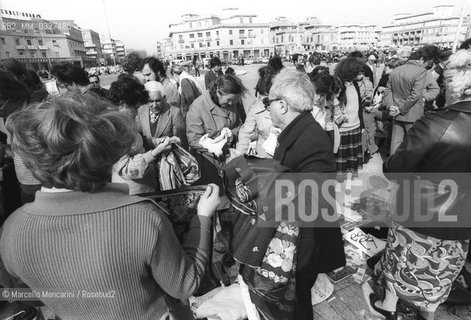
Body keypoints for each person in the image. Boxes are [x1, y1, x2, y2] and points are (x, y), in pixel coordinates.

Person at [0, 92, 220, 320]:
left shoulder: (12, 228)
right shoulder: (142, 217)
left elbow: (26, 294)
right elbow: (184, 285)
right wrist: (202, 217)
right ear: (105, 155)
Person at [370, 48, 471, 320]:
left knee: (401, 263)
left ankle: (389, 307)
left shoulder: (436, 124)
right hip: (461, 222)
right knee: (441, 273)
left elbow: (395, 168)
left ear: (457, 86)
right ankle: (427, 314)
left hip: (420, 214)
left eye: (446, 83)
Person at [266, 68, 345, 320]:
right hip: (300, 235)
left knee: (298, 300)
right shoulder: (300, 130)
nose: (267, 108)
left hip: (305, 241)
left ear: (282, 105)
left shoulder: (310, 137)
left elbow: (312, 198)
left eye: (268, 102)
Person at [109, 74, 171, 195]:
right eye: (135, 107)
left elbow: (138, 142)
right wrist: (154, 153)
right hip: (130, 191)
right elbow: (126, 168)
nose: (137, 112)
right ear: (122, 103)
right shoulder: (113, 130)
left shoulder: (126, 121)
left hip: (145, 187)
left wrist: (157, 142)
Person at [186, 74, 246, 186]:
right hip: (208, 163)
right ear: (218, 92)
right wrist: (217, 144)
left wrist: (231, 134)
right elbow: (193, 139)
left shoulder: (234, 102)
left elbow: (241, 125)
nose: (231, 104)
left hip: (231, 158)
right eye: (229, 100)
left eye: (233, 100)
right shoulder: (198, 107)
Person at [384, 45, 441, 155]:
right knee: (412, 145)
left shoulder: (396, 70)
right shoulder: (422, 72)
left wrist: (391, 106)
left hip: (395, 112)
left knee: (395, 143)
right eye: (428, 63)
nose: (428, 66)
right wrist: (424, 97)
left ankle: (393, 167)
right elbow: (416, 95)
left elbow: (388, 91)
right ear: (421, 60)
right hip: (412, 113)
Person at [334, 57, 365, 178]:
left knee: (353, 154)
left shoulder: (354, 84)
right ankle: (340, 176)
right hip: (343, 127)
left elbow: (358, 105)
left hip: (355, 125)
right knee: (342, 155)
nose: (358, 75)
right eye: (356, 72)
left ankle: (354, 173)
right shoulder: (339, 84)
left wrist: (361, 124)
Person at [236, 66, 275, 158]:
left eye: (266, 98)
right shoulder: (256, 107)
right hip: (264, 158)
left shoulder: (289, 106)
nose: (262, 101)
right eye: (260, 96)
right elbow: (245, 134)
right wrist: (238, 156)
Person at [136, 80, 186, 152]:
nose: (154, 105)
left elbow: (180, 142)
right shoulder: (140, 110)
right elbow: (138, 138)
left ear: (164, 98)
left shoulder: (174, 112)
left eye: (158, 101)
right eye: (150, 101)